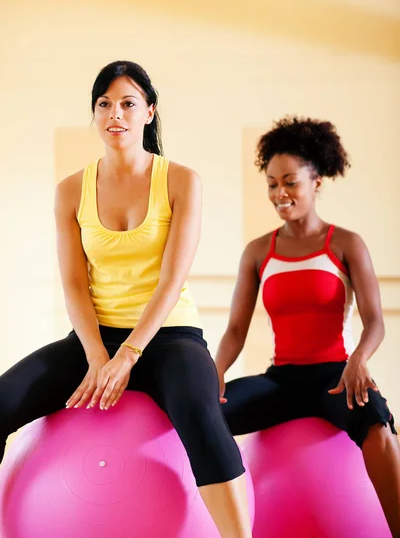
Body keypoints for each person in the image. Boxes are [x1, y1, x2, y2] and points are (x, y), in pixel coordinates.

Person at [0, 60, 252, 538]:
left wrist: (128, 355)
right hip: (95, 338)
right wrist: (98, 355)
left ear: (149, 113)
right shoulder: (70, 190)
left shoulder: (181, 181)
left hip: (169, 335)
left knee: (201, 415)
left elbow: (171, 280)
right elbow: (74, 284)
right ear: (94, 115)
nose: (115, 113)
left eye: (128, 103)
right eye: (104, 104)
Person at [215, 116, 400, 537]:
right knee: (203, 414)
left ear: (316, 181)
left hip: (336, 376)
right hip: (281, 381)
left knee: (377, 423)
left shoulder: (345, 243)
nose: (280, 194)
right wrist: (216, 371)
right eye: (272, 183)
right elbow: (235, 331)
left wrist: (358, 360)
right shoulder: (258, 251)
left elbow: (375, 322)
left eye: (291, 182)